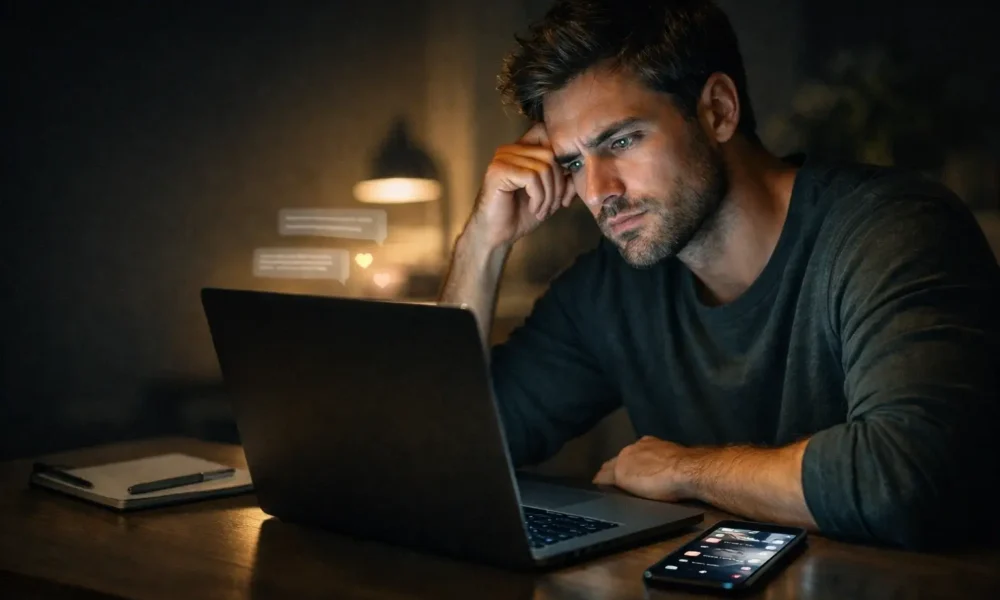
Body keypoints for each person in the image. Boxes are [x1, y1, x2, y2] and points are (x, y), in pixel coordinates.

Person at [438, 0, 999, 550]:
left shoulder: (891, 230)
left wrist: (685, 470)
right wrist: (484, 241)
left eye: (622, 141)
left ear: (719, 110)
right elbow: (447, 448)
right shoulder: (612, 290)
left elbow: (907, 479)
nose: (597, 193)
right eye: (573, 162)